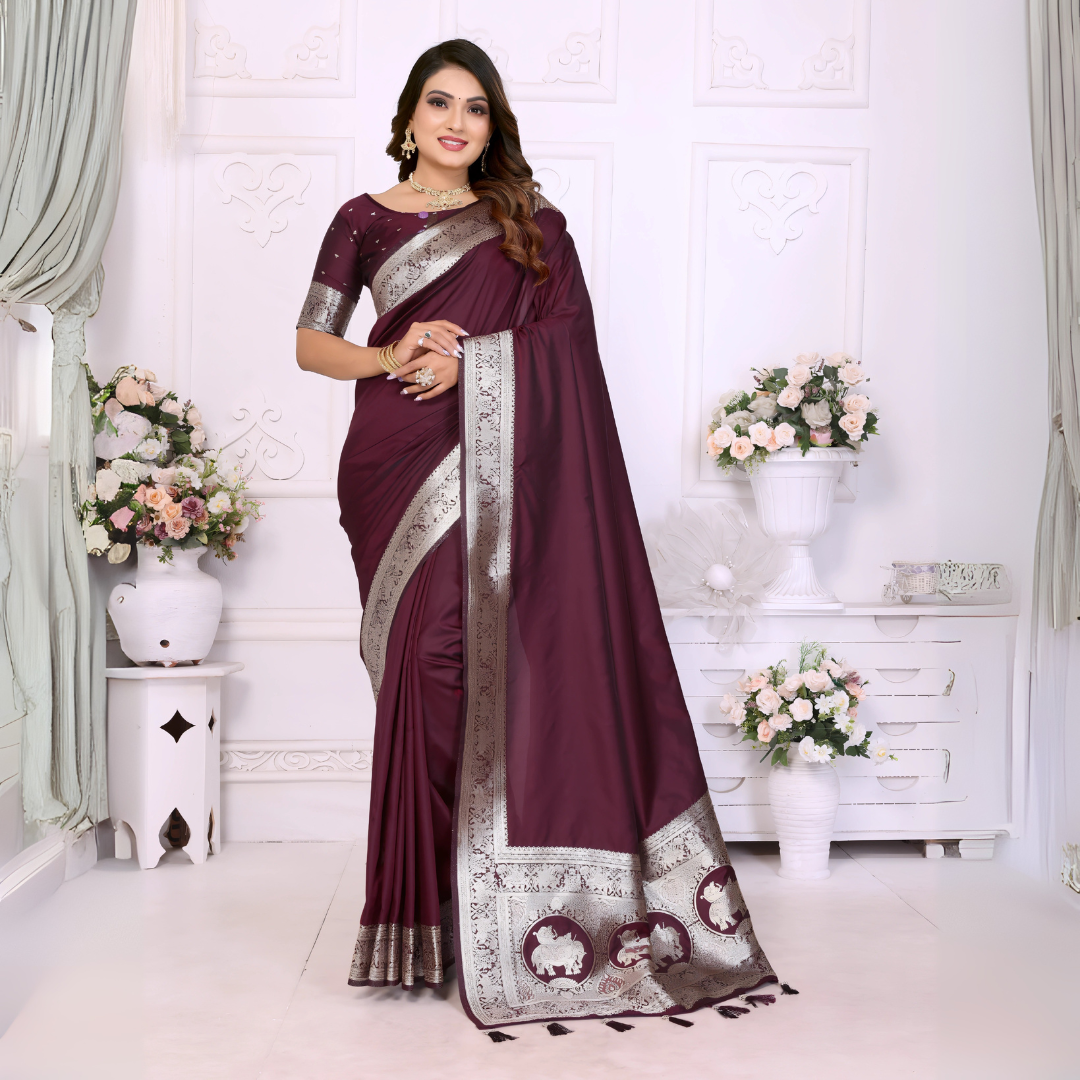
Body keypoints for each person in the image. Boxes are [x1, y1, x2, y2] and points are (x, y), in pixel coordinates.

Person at [295, 38, 779, 1030]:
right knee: (422, 672)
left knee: (474, 664)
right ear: (410, 113)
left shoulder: (531, 226)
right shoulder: (361, 219)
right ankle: (422, 916)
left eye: (476, 108)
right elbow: (310, 343)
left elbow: (568, 344)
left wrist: (475, 364)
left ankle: (480, 897)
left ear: (493, 125)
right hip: (394, 466)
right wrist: (393, 351)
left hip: (500, 465)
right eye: (440, 102)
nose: (456, 122)